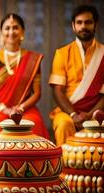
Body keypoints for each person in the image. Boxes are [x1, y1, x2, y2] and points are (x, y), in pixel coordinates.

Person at [0, 13, 49, 144]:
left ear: (22, 32)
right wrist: (4, 109)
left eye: (15, 27)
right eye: (7, 28)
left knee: (34, 122)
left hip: (25, 108)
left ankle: (32, 161)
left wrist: (20, 108)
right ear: (2, 32)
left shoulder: (32, 59)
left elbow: (37, 93)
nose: (11, 32)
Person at [49, 4, 104, 146]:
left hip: (98, 112)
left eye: (88, 22)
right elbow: (58, 90)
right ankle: (65, 168)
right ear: (73, 26)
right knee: (64, 124)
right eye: (79, 22)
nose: (83, 26)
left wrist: (91, 114)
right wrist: (74, 115)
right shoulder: (62, 53)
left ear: (95, 24)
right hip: (68, 112)